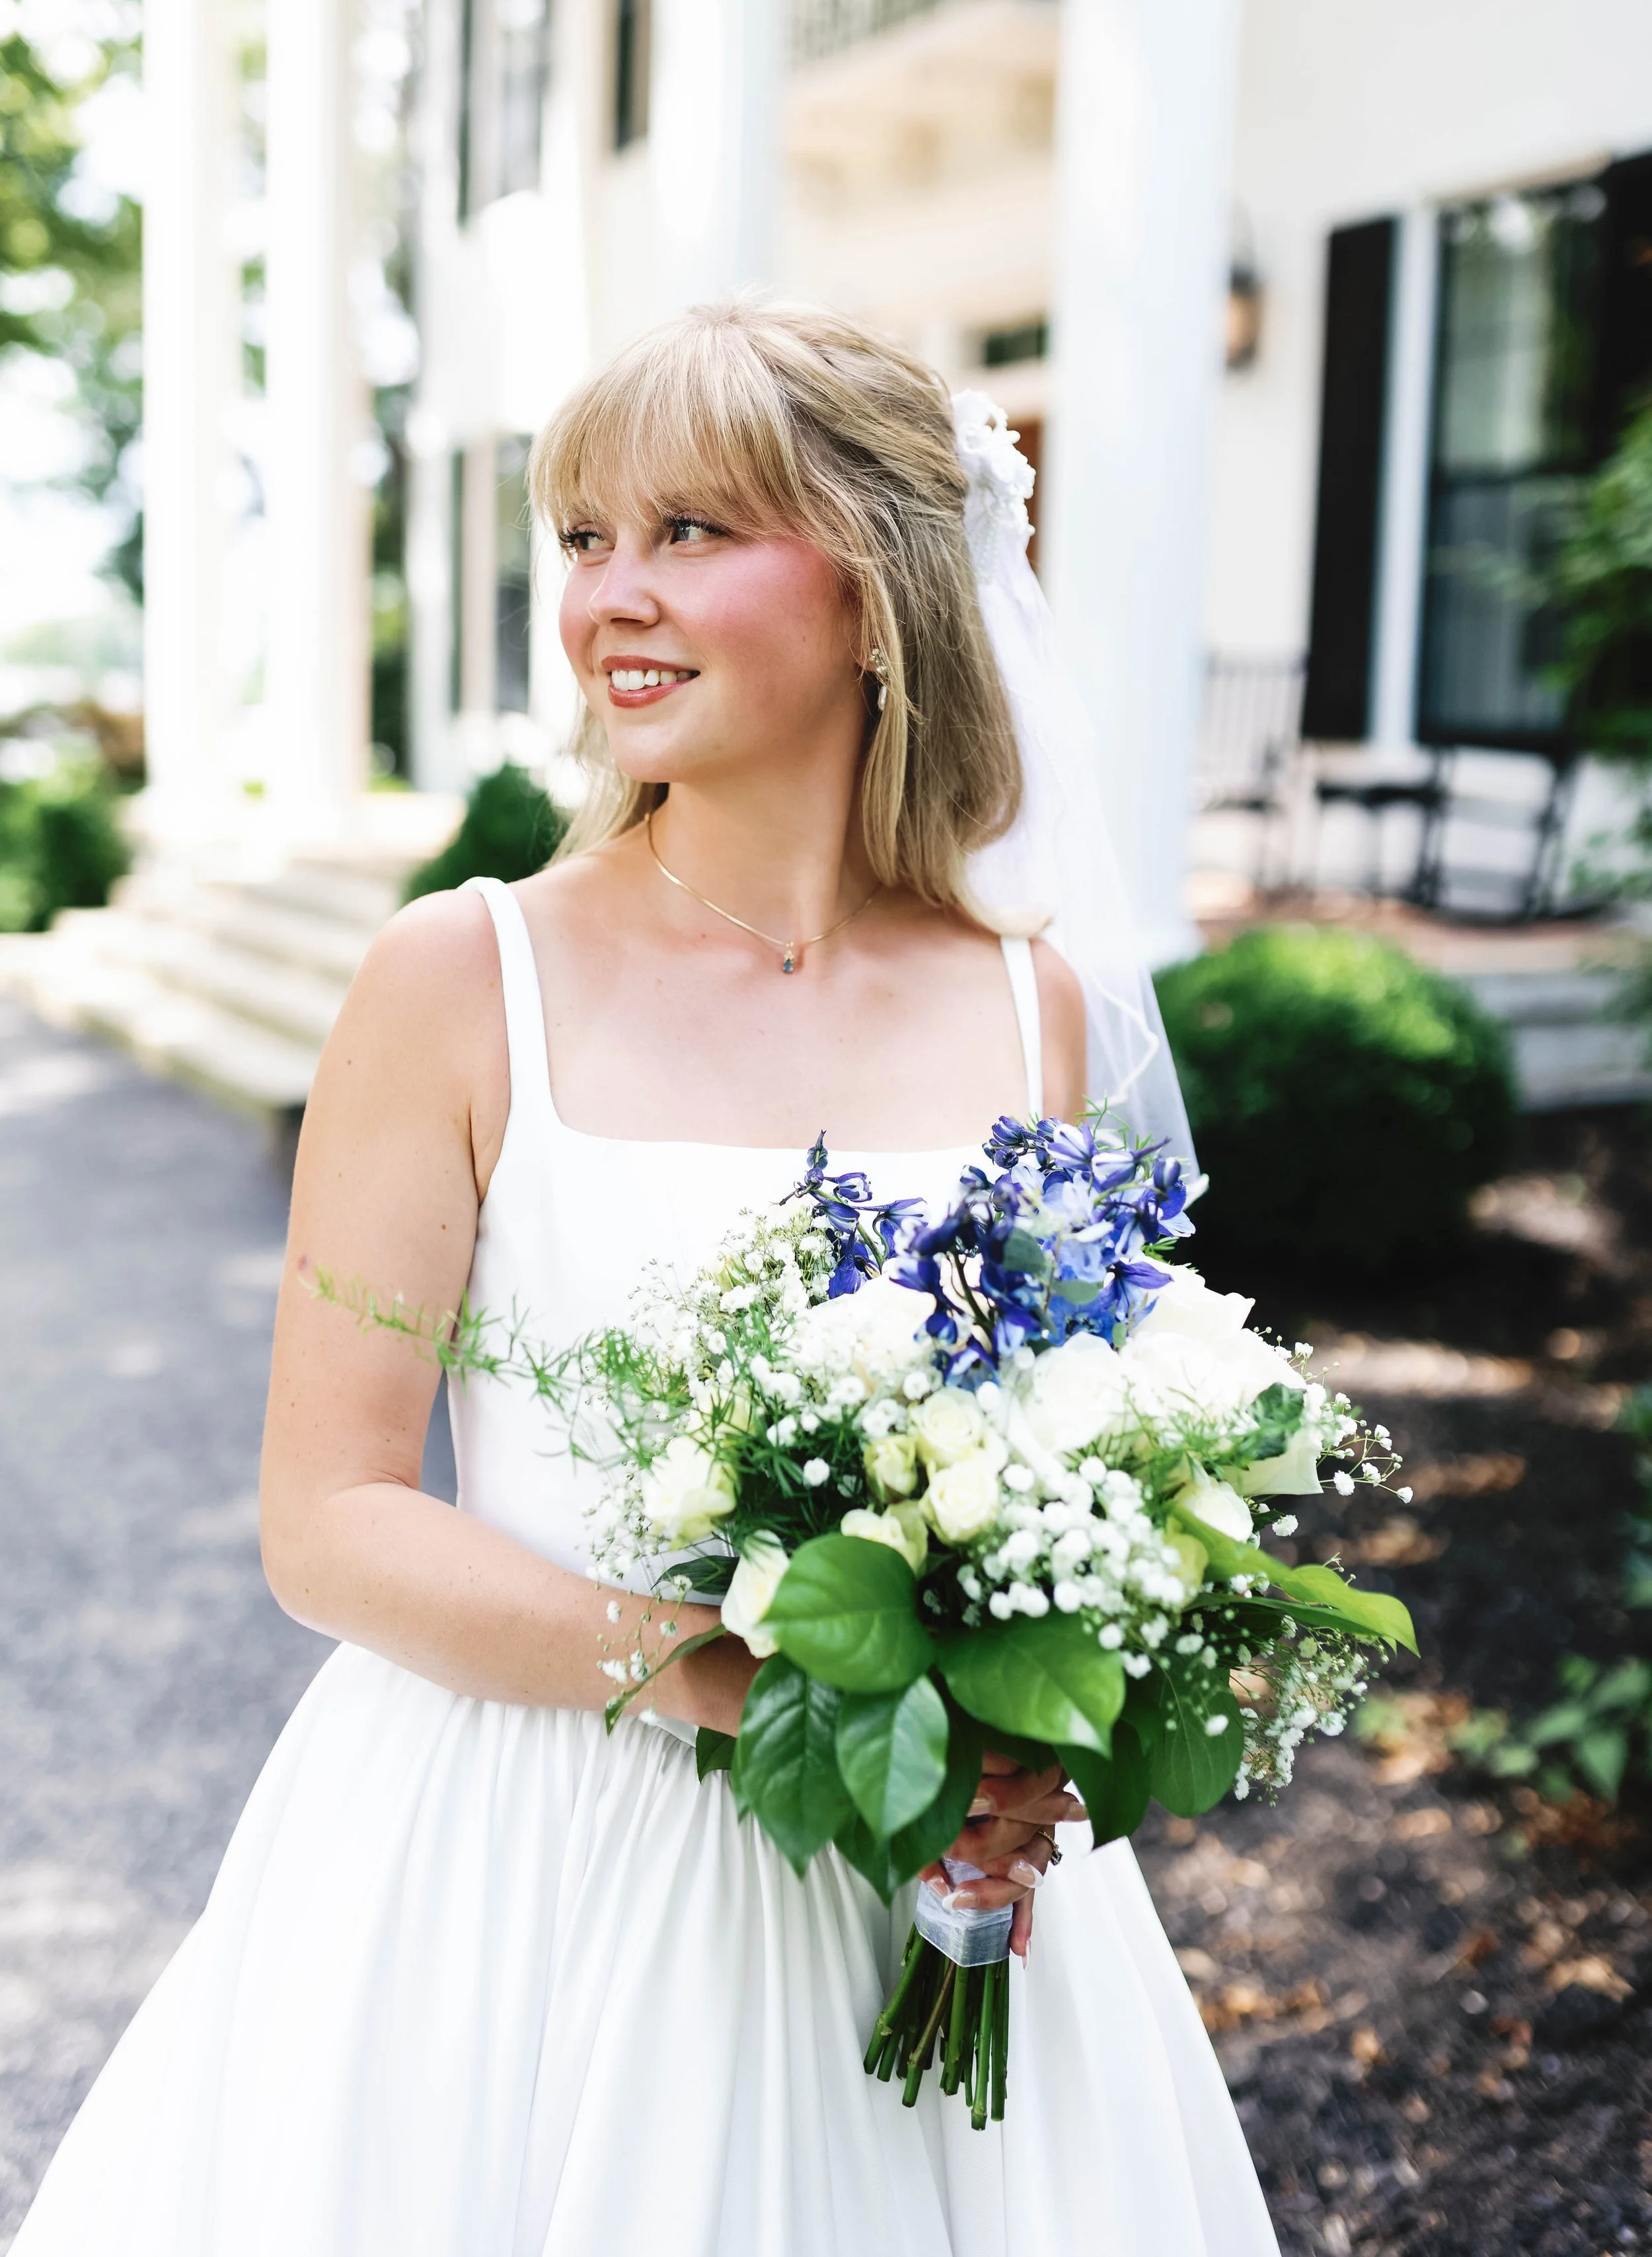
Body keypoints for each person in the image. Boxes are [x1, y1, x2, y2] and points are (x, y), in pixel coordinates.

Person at [13, 300, 1278, 2256]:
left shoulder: (1027, 1004)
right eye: (584, 536)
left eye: (691, 530)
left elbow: (1075, 1484)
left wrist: (1035, 1738)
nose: (612, 592)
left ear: (877, 593)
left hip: (914, 1871)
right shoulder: (461, 974)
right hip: (528, 1857)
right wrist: (733, 1674)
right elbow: (327, 1518)